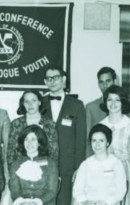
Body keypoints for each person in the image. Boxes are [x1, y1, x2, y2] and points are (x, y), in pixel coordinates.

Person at [40, 65, 86, 205]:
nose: (52, 81)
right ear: (45, 82)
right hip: (43, 165)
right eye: (49, 78)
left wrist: (78, 166)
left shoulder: (76, 105)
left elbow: (81, 138)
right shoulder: (38, 103)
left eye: (56, 77)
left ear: (63, 80)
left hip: (67, 167)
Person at [98, 85, 130, 205]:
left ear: (123, 102)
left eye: (117, 100)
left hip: (127, 171)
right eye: (109, 99)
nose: (113, 103)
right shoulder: (100, 126)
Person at [85, 67, 130, 156]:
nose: (105, 85)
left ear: (115, 81)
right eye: (101, 82)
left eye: (108, 81)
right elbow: (88, 140)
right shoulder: (90, 107)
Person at [73, 124, 126, 205]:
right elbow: (77, 190)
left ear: (107, 143)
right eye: (94, 141)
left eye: (101, 141)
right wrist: (85, 201)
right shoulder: (85, 164)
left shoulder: (116, 164)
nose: (97, 144)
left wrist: (106, 202)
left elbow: (121, 191)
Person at [6, 90, 58, 171]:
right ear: (23, 104)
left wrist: (51, 172)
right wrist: (13, 173)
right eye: (27, 101)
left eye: (33, 100)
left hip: (44, 171)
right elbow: (11, 152)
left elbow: (54, 153)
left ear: (39, 102)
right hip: (20, 170)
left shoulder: (50, 124)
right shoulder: (16, 124)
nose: (30, 104)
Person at [8, 125, 59, 204]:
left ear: (39, 142)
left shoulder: (50, 163)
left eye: (33, 139)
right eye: (26, 139)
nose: (29, 143)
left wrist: (37, 202)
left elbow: (52, 191)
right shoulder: (16, 165)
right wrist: (22, 202)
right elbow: (15, 191)